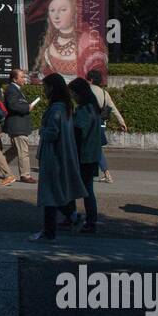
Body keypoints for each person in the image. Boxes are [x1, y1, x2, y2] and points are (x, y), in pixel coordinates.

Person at [32, 73, 87, 243]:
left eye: (46, 87)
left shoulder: (56, 108)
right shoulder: (66, 107)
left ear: (52, 88)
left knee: (50, 195)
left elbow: (52, 133)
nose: (45, 91)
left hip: (53, 156)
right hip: (61, 156)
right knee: (57, 192)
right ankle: (72, 217)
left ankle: (50, 232)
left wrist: (42, 131)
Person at [25, 0, 108, 80]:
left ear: (74, 11)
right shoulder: (49, 43)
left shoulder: (89, 41)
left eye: (63, 10)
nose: (56, 16)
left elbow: (98, 75)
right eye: (52, 10)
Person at [68, 77, 103, 233]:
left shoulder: (85, 109)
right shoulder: (93, 107)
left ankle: (88, 220)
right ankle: (86, 219)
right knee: (86, 189)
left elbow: (78, 129)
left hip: (84, 155)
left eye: (73, 93)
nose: (72, 97)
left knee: (85, 190)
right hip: (91, 154)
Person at [87, 69, 127, 184]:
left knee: (81, 147)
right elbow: (113, 109)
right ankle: (106, 173)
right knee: (97, 149)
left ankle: (78, 173)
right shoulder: (105, 93)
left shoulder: (87, 91)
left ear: (90, 79)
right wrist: (122, 122)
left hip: (88, 124)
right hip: (101, 124)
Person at [2, 68, 37, 184]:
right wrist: (27, 107)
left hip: (19, 124)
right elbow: (13, 106)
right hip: (17, 125)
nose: (24, 79)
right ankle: (25, 175)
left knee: (15, 150)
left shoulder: (16, 89)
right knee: (23, 151)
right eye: (21, 77)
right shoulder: (12, 89)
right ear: (14, 79)